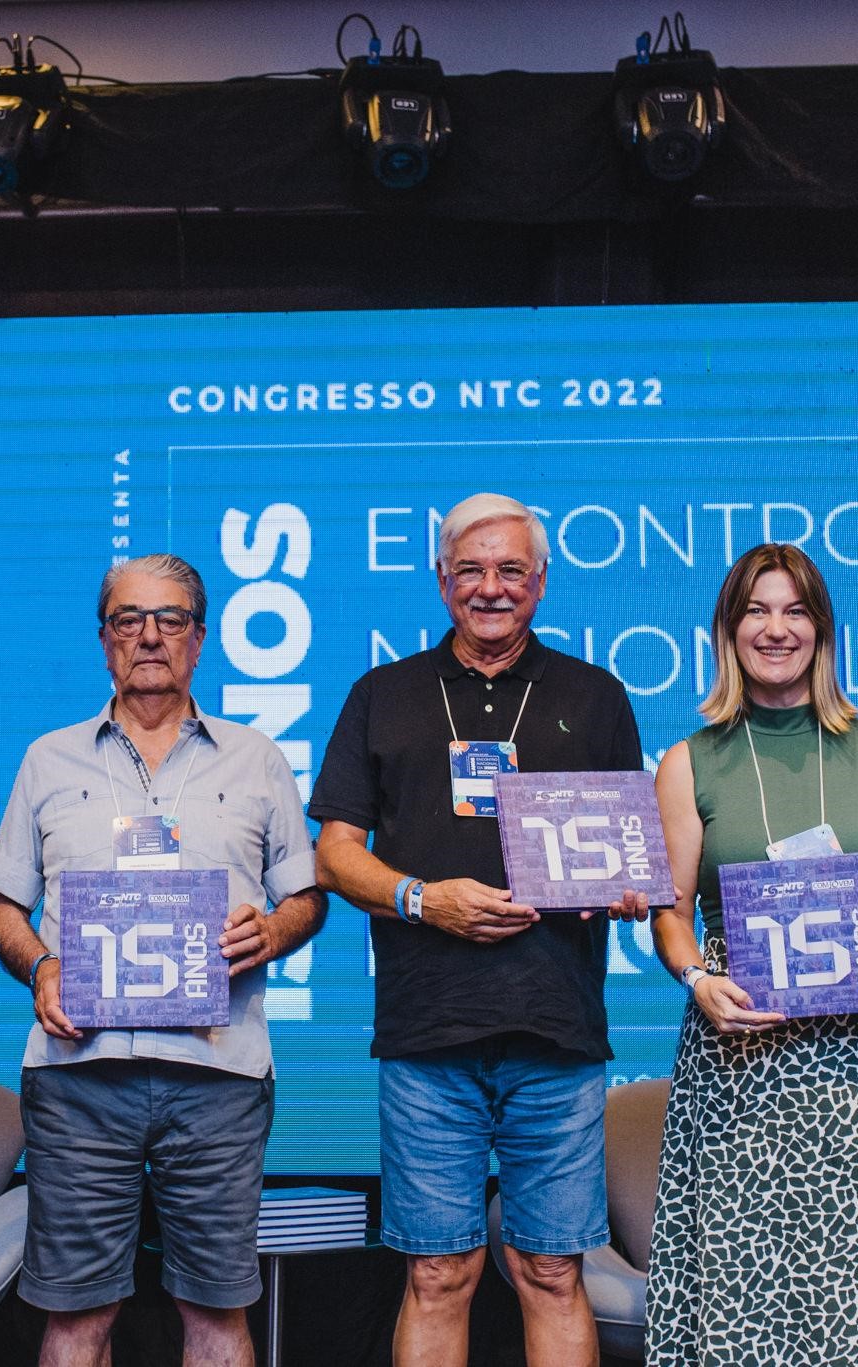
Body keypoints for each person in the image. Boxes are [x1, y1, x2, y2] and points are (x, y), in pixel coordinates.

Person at [311, 492, 650, 1367]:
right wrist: (425, 899)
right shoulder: (383, 694)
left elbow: (632, 851)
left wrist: (626, 888)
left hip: (557, 1031)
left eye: (509, 570)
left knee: (552, 1270)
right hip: (427, 1033)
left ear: (540, 581)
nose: (490, 587)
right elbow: (335, 857)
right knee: (437, 1273)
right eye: (470, 569)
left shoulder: (596, 694)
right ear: (441, 580)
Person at [0, 552, 326, 1367]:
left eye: (170, 618)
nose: (149, 635)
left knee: (216, 1309)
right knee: (76, 1315)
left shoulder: (257, 757)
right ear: (104, 639)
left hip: (219, 1075)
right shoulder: (48, 758)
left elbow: (307, 896)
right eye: (128, 619)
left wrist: (274, 931)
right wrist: (42, 968)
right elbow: (1, 902)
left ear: (199, 639)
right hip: (79, 1075)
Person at [642, 541, 858, 1364]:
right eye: (756, 610)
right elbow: (669, 916)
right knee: (754, 1295)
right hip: (746, 1067)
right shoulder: (688, 763)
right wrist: (697, 979)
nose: (776, 628)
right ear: (728, 630)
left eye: (795, 610)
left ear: (822, 630)